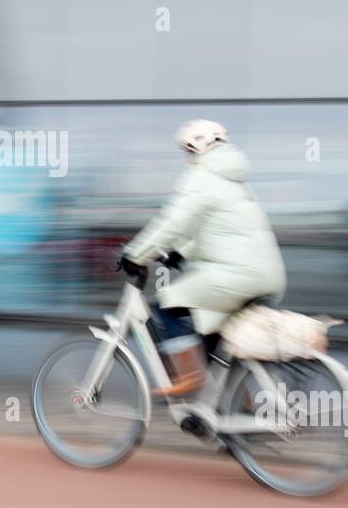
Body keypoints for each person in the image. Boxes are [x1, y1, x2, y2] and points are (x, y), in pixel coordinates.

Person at [118, 119, 286, 397]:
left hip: (237, 276)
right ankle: (233, 405)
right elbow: (219, 229)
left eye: (187, 151)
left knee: (167, 306)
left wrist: (135, 254)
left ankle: (190, 376)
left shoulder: (203, 176)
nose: (187, 158)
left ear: (197, 146)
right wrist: (180, 253)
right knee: (212, 330)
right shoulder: (235, 180)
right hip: (266, 275)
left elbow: (174, 222)